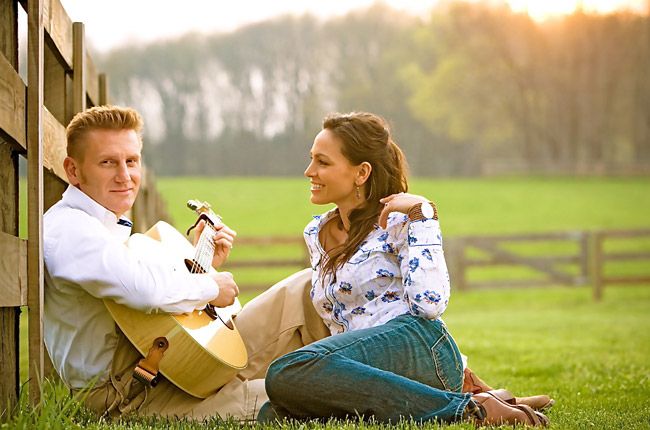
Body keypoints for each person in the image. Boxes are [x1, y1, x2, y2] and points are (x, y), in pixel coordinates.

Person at [259, 112, 550, 426]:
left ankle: (471, 410)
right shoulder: (316, 233)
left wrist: (422, 216)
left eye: (322, 162)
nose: (309, 171)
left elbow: (430, 305)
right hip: (371, 365)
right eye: (311, 159)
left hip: (419, 342)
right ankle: (472, 400)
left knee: (286, 372)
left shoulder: (400, 222)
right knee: (274, 412)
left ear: (361, 173)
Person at [43, 105, 329, 422]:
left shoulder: (103, 225)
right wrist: (209, 286)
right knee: (307, 396)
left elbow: (144, 296)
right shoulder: (70, 230)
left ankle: (361, 363)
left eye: (131, 161)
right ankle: (365, 387)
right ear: (73, 170)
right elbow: (144, 290)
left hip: (168, 358)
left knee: (307, 287)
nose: (125, 176)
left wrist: (201, 264)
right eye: (107, 162)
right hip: (131, 392)